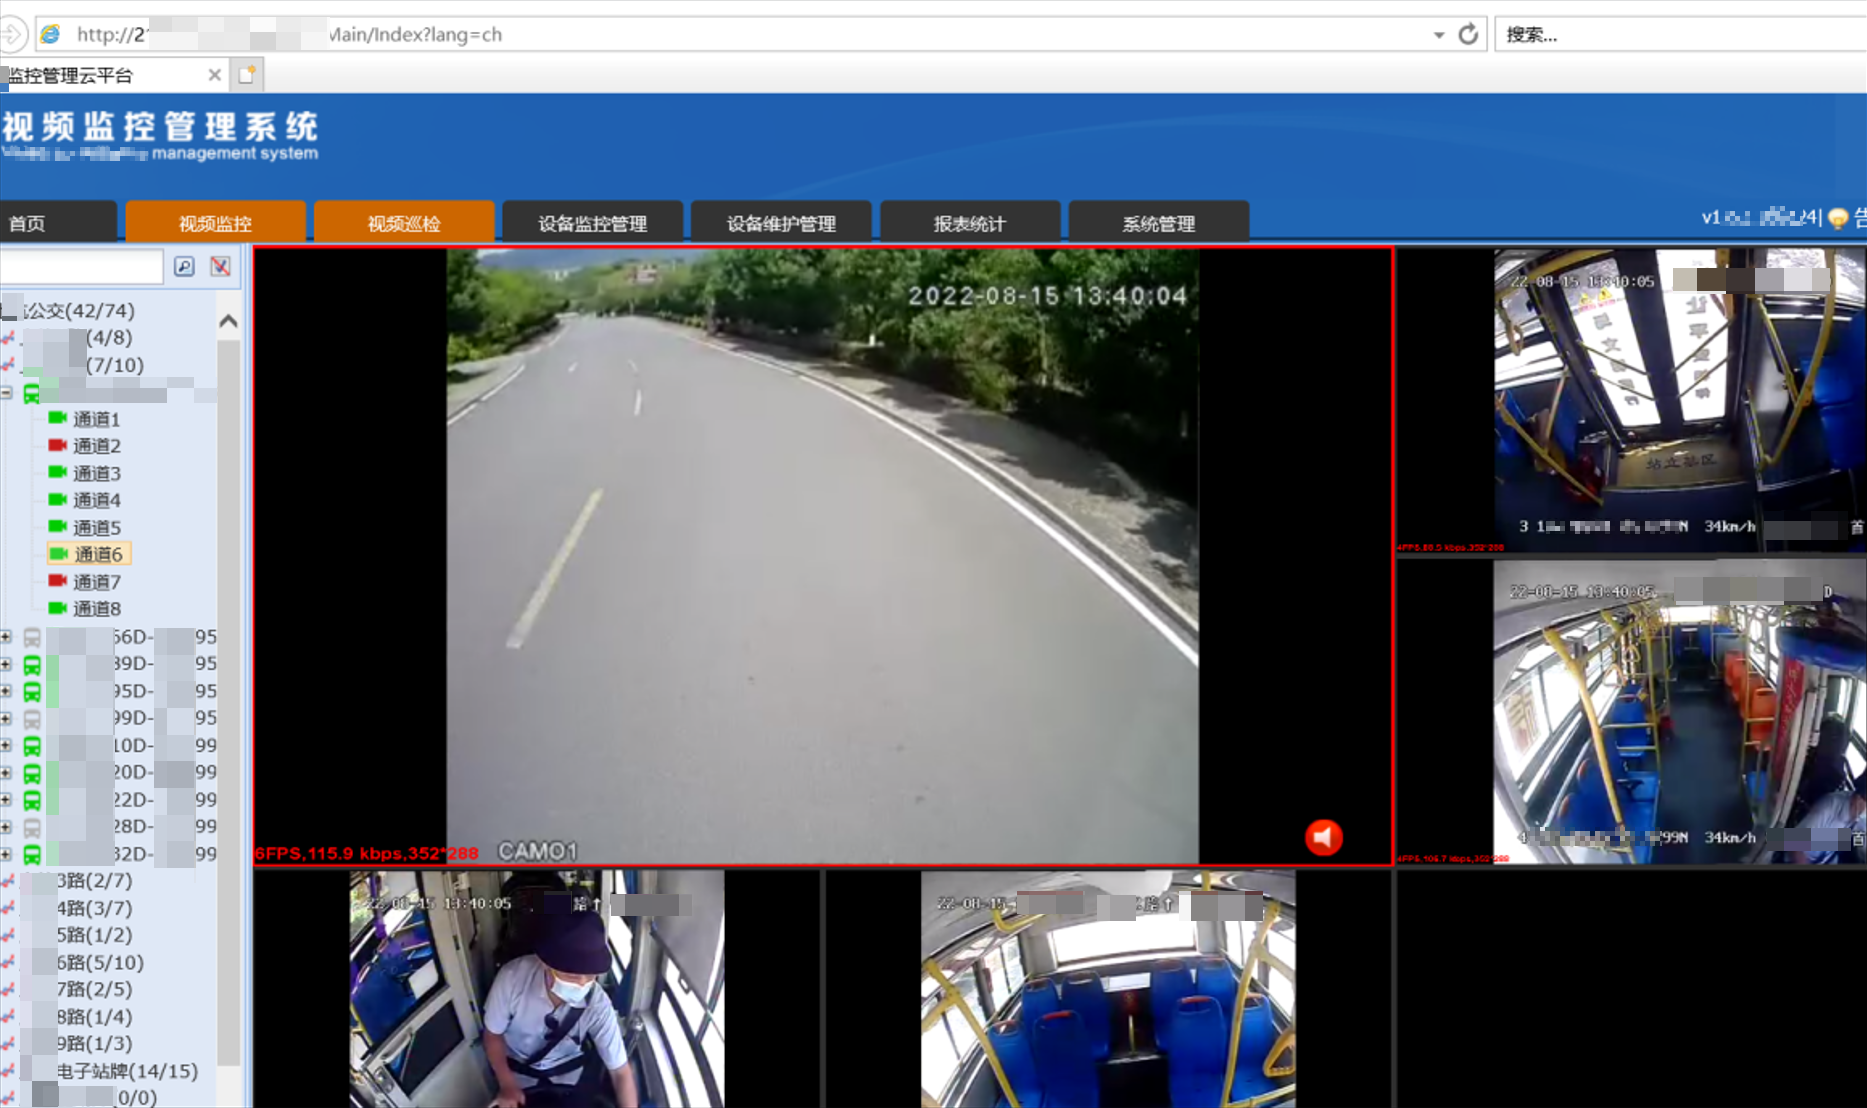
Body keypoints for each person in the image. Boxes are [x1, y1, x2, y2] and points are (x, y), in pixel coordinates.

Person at [484, 909, 638, 1107]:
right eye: (572, 975)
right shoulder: (512, 979)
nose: (582, 983)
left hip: (569, 1076)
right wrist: (506, 1083)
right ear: (545, 963)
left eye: (590, 975)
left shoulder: (598, 1004)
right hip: (516, 1073)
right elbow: (492, 1034)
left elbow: (620, 1072)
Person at [1786, 777, 1867, 864]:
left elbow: (1858, 844)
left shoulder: (1860, 820)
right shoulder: (1829, 805)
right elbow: (1794, 843)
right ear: (1859, 798)